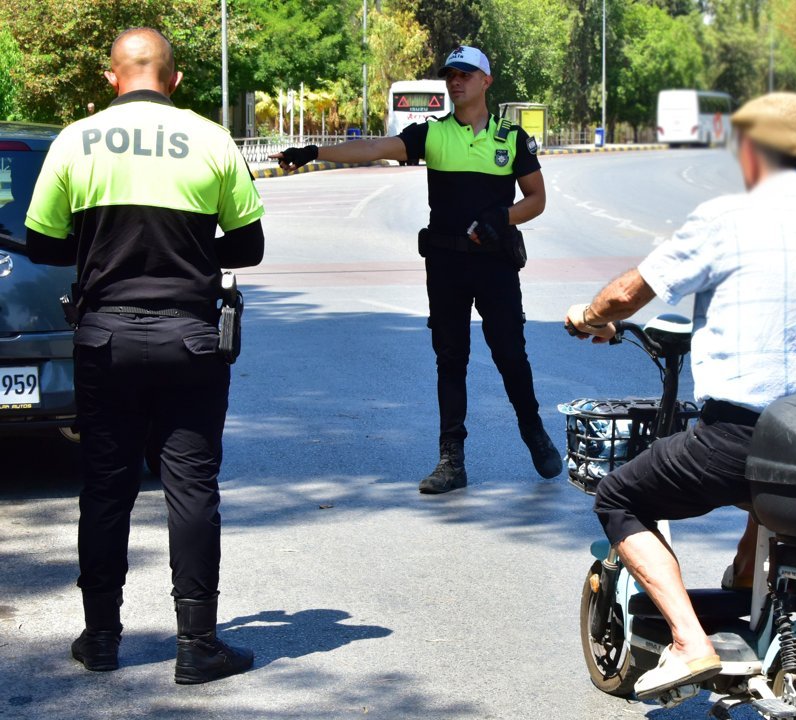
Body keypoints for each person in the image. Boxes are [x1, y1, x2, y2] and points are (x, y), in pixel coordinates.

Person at [565, 92, 796, 699]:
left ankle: (690, 641)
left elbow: (629, 294)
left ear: (754, 152)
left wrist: (588, 315)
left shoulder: (725, 217)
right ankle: (748, 600)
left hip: (740, 437)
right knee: (772, 491)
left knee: (619, 495)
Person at [24, 28, 263, 683]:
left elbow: (41, 243)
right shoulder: (211, 139)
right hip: (191, 338)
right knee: (191, 488)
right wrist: (189, 256)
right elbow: (249, 246)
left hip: (104, 339)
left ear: (112, 77)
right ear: (174, 79)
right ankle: (198, 645)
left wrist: (100, 251)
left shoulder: (76, 140)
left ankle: (101, 638)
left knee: (106, 488)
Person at [271, 45, 559, 494]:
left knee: (510, 354)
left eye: (465, 74)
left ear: (486, 80)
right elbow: (373, 147)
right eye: (450, 75)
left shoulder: (511, 139)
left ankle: (533, 430)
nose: (455, 82)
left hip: (495, 265)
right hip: (446, 265)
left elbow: (536, 199)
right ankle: (451, 460)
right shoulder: (432, 134)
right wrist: (314, 150)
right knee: (451, 359)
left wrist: (501, 218)